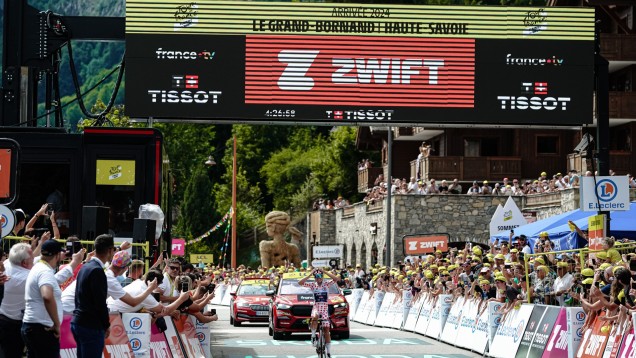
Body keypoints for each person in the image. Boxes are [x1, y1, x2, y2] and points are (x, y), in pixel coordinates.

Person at [22, 240, 84, 358]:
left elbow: (55, 280)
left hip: (34, 326)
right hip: (43, 329)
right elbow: (47, 296)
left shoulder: (39, 267)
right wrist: (56, 324)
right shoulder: (44, 271)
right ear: (57, 255)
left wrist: (75, 262)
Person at [72, 234, 115, 357]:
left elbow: (77, 296)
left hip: (79, 321)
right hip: (90, 325)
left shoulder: (85, 267)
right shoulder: (97, 270)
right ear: (110, 250)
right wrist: (106, 325)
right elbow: (100, 302)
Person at [299, 268, 340, 358]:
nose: (318, 278)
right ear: (315, 278)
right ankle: (313, 335)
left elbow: (337, 279)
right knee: (315, 316)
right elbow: (300, 283)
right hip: (316, 307)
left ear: (322, 277)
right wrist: (310, 274)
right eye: (316, 277)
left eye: (320, 276)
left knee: (326, 330)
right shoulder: (313, 285)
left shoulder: (326, 284)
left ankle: (328, 352)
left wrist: (324, 271)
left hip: (325, 308)